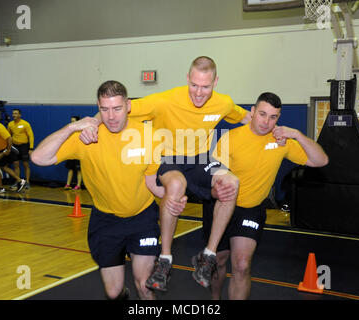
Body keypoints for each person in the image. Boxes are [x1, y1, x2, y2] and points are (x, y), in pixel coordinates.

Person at [79, 56, 255, 291]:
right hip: (168, 157)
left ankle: (208, 255)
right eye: (194, 85)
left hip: (200, 159)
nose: (199, 93)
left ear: (216, 82)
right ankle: (165, 259)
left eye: (205, 86)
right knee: (175, 186)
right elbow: (119, 108)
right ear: (187, 79)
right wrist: (91, 123)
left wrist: (274, 130)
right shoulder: (165, 100)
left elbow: (246, 117)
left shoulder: (223, 103)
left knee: (231, 183)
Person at [30, 80, 186, 300]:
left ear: (128, 106)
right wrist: (72, 127)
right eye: (104, 109)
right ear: (97, 107)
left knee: (145, 285)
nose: (111, 116)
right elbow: (38, 158)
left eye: (117, 108)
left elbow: (151, 182)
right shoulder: (86, 137)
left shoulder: (148, 136)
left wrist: (170, 198)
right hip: (106, 221)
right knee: (113, 293)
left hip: (142, 219)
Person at [203, 92, 329, 300]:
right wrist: (215, 190)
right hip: (222, 206)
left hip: (251, 209)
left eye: (273, 117)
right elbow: (212, 177)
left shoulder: (281, 141)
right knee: (219, 262)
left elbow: (320, 160)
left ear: (278, 118)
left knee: (242, 265)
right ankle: (215, 300)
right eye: (262, 114)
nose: (266, 121)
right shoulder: (230, 139)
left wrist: (297, 134)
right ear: (252, 112)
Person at [0, 115, 27, 193]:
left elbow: (9, 138)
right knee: (2, 167)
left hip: (6, 150)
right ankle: (19, 181)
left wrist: (8, 150)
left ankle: (2, 187)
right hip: (2, 150)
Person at [7, 109, 34, 190]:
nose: (14, 115)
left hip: (24, 147)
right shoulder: (10, 124)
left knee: (26, 165)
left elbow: (31, 136)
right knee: (16, 164)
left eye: (16, 113)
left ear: (20, 115)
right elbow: (8, 136)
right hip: (14, 147)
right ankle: (18, 181)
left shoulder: (25, 124)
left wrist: (31, 148)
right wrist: (8, 146)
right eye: (13, 113)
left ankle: (27, 182)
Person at [63, 116, 83, 190]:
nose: (72, 122)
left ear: (78, 121)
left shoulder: (81, 130)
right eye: (71, 121)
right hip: (71, 152)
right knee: (70, 169)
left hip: (78, 153)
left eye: (73, 121)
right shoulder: (69, 131)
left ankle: (78, 185)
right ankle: (68, 184)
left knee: (78, 170)